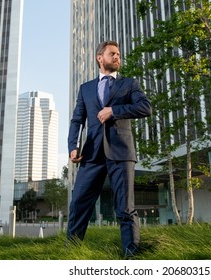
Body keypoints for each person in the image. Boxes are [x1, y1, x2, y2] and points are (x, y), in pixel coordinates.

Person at [67, 41, 151, 258]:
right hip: (91, 154)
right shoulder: (85, 88)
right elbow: (77, 120)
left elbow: (145, 107)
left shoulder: (129, 84)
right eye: (112, 53)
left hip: (121, 153)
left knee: (125, 208)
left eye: (118, 54)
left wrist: (114, 110)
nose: (117, 57)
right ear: (99, 58)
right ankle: (71, 252)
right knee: (78, 204)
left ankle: (131, 255)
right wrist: (73, 146)